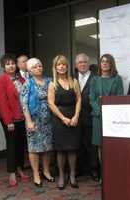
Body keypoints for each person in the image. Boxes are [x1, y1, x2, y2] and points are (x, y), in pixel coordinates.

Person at [0, 54, 30, 187]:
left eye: (13, 63)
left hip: (22, 117)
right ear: (3, 67)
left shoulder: (20, 78)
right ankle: (11, 172)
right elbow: (2, 102)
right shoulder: (2, 80)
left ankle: (20, 168)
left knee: (21, 144)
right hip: (9, 118)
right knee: (11, 145)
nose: (11, 66)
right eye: (8, 64)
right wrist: (8, 121)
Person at [48, 55, 81, 190]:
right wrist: (63, 118)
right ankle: (61, 176)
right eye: (58, 65)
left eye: (63, 64)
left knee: (72, 149)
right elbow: (50, 103)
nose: (61, 67)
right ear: (55, 68)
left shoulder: (74, 81)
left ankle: (72, 175)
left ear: (67, 66)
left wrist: (76, 117)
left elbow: (79, 99)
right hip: (59, 119)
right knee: (61, 150)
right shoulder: (52, 84)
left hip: (73, 117)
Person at [21, 58, 54, 187]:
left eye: (39, 65)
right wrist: (28, 121)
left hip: (49, 120)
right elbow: (24, 105)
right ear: (29, 70)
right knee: (34, 147)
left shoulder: (49, 80)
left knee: (47, 147)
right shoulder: (27, 84)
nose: (38, 68)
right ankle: (36, 173)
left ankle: (46, 171)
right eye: (34, 67)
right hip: (33, 120)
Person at [89, 54, 124, 176]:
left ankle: (114, 173)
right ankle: (104, 174)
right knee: (100, 146)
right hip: (98, 117)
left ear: (111, 64)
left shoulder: (117, 79)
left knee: (112, 145)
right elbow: (92, 98)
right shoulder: (95, 79)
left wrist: (109, 110)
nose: (104, 63)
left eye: (107, 62)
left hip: (113, 117)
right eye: (102, 61)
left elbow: (120, 98)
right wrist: (99, 110)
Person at [74, 53, 99, 181]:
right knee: (78, 144)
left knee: (91, 145)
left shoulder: (96, 78)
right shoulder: (71, 78)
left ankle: (93, 169)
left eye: (84, 62)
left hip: (91, 117)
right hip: (75, 118)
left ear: (88, 64)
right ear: (76, 65)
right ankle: (79, 169)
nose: (82, 64)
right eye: (80, 62)